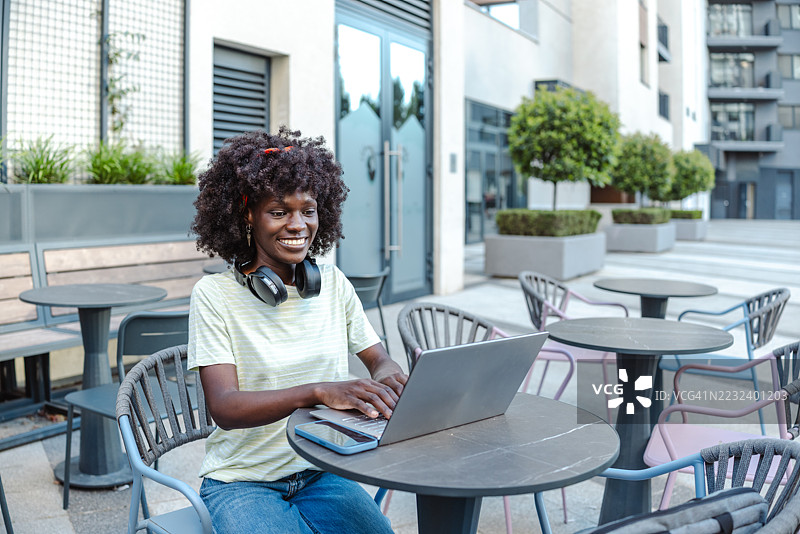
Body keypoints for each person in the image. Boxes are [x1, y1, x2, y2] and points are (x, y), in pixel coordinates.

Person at [188, 127, 406, 533]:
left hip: (322, 470)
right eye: (278, 211)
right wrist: (317, 390)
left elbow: (377, 358)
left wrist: (390, 379)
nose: (297, 225)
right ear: (247, 215)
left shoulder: (334, 283)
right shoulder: (213, 295)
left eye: (308, 210)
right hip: (243, 482)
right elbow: (225, 407)